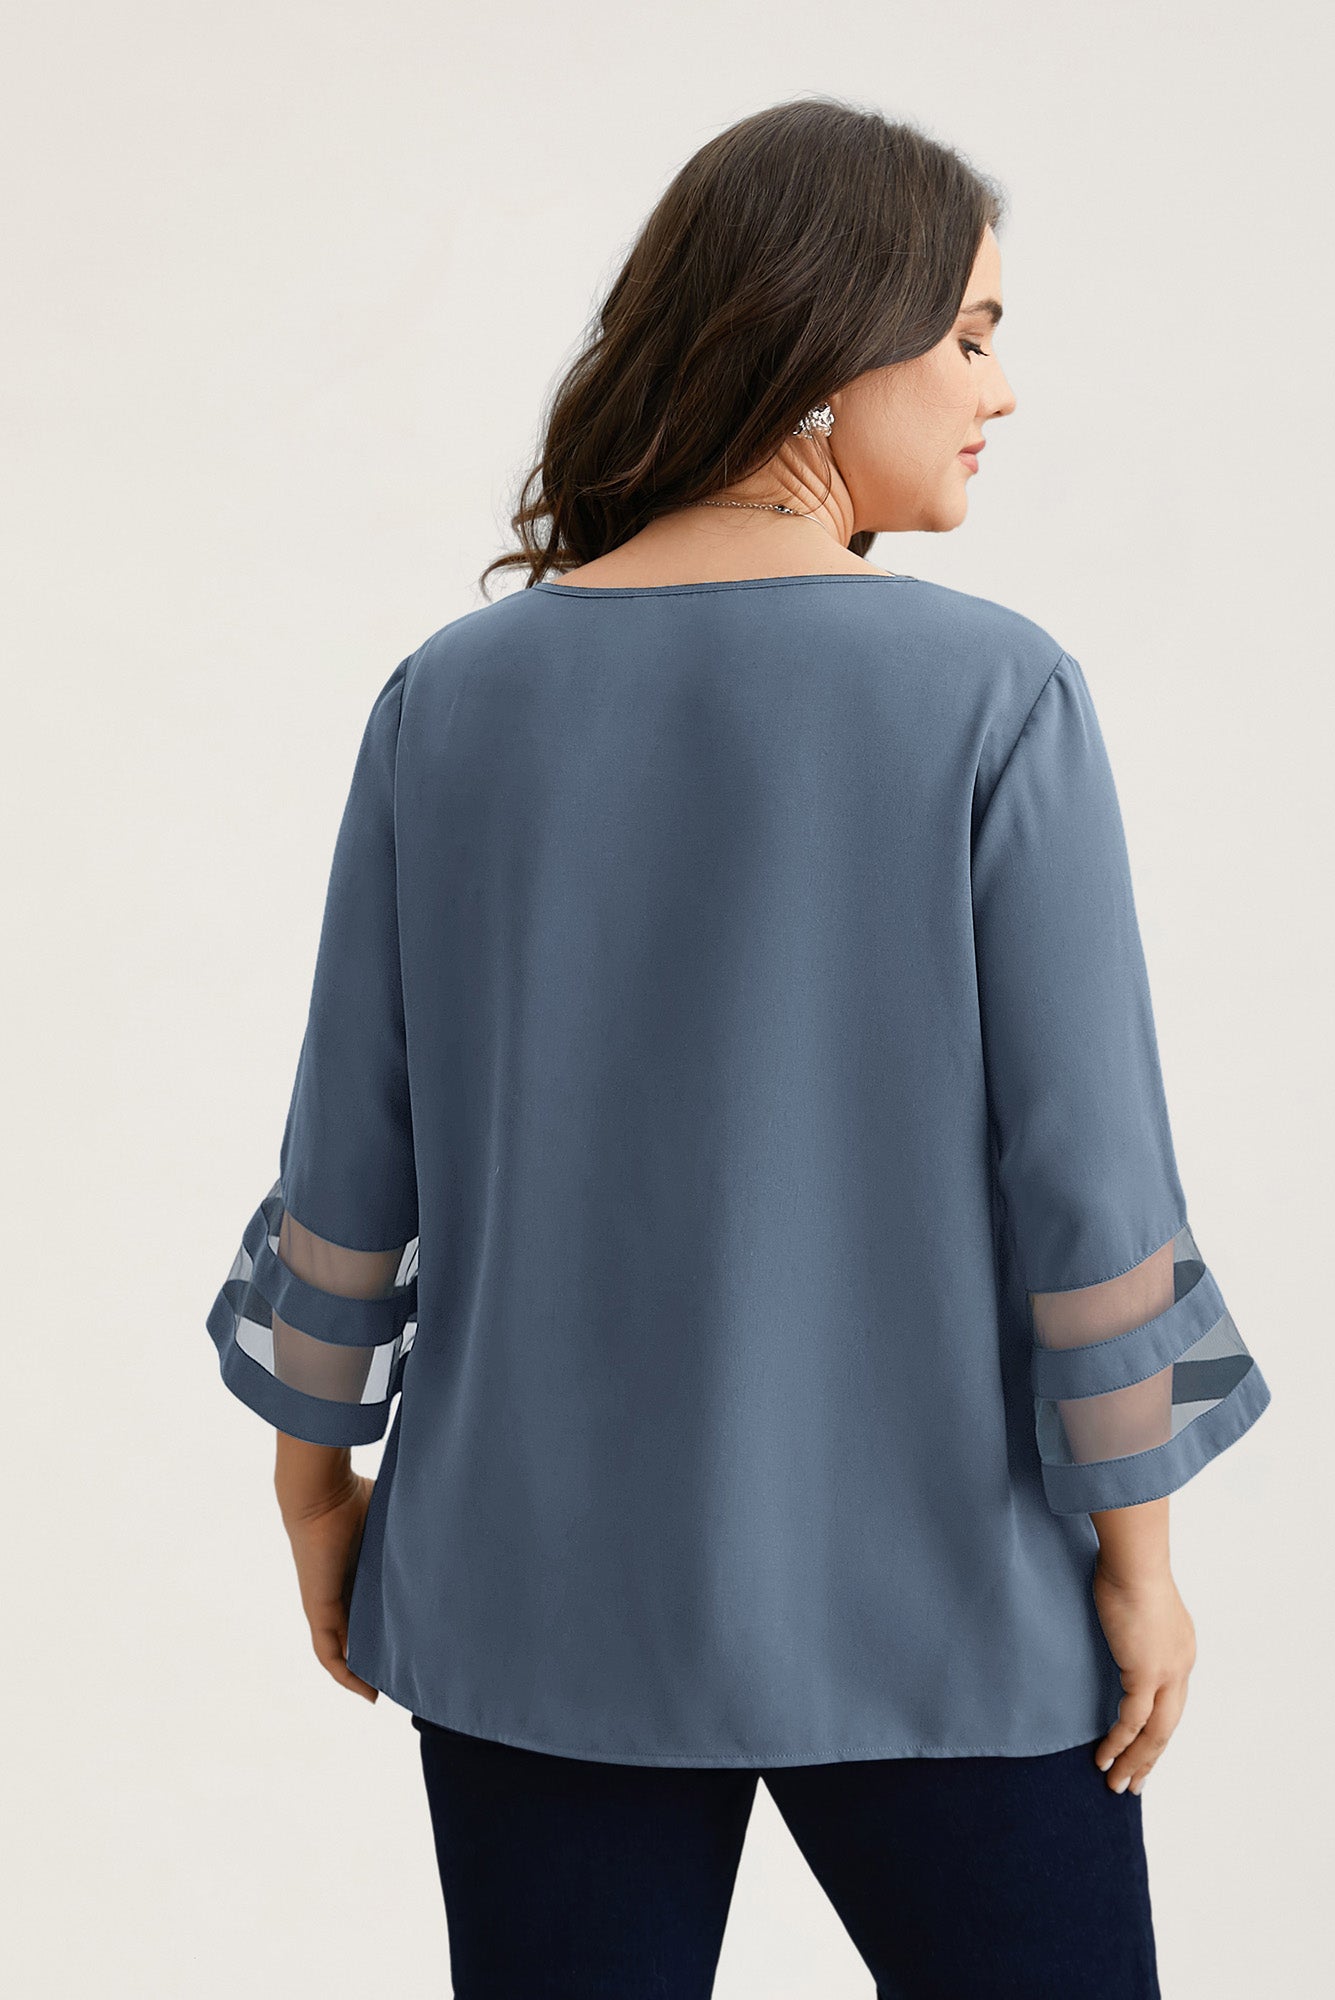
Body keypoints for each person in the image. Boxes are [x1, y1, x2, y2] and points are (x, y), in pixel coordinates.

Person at [204, 98, 1270, 1998]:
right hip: (944, 1598)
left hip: (527, 1594)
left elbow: (351, 1153)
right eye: (970, 333)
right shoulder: (996, 695)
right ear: (824, 343)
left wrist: (315, 1489)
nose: (1000, 388)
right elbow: (1090, 1181)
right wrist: (1141, 1555)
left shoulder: (448, 704)